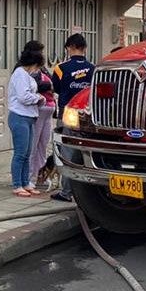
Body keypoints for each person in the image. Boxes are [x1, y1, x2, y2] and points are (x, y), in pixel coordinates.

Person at [51, 33, 95, 202]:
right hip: (88, 116)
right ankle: (86, 192)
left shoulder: (60, 68)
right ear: (85, 48)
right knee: (86, 153)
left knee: (67, 152)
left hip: (67, 114)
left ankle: (66, 192)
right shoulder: (93, 69)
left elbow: (56, 88)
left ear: (70, 48)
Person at [8, 49, 45, 197]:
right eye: (38, 66)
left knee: (27, 153)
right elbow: (23, 97)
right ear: (33, 64)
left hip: (29, 116)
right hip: (20, 116)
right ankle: (17, 184)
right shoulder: (20, 74)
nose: (38, 70)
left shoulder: (26, 75)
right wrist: (38, 98)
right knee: (20, 153)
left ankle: (25, 182)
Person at [22, 41, 56, 191]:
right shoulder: (23, 69)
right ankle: (28, 177)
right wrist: (49, 86)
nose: (42, 54)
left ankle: (40, 174)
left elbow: (52, 80)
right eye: (40, 52)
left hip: (48, 109)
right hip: (37, 110)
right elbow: (32, 87)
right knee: (33, 145)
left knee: (43, 144)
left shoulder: (41, 68)